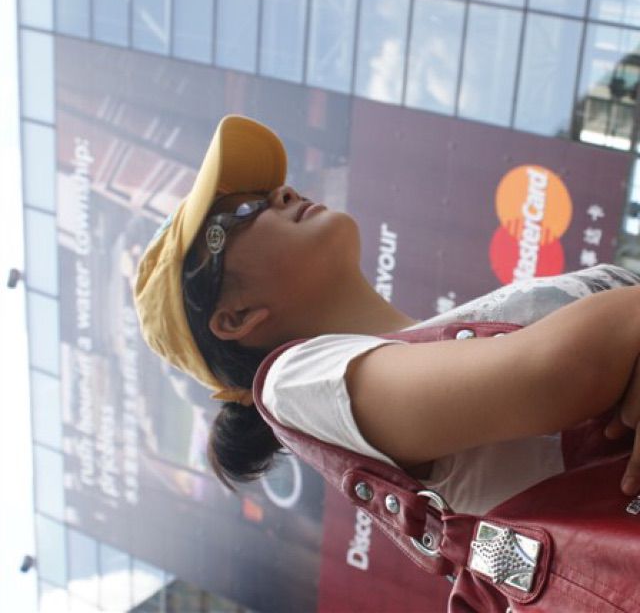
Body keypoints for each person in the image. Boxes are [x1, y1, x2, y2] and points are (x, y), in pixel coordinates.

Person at [134, 114, 640, 516]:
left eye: (267, 193)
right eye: (240, 214)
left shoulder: (451, 335)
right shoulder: (293, 385)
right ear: (236, 317)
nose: (282, 194)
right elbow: (561, 372)